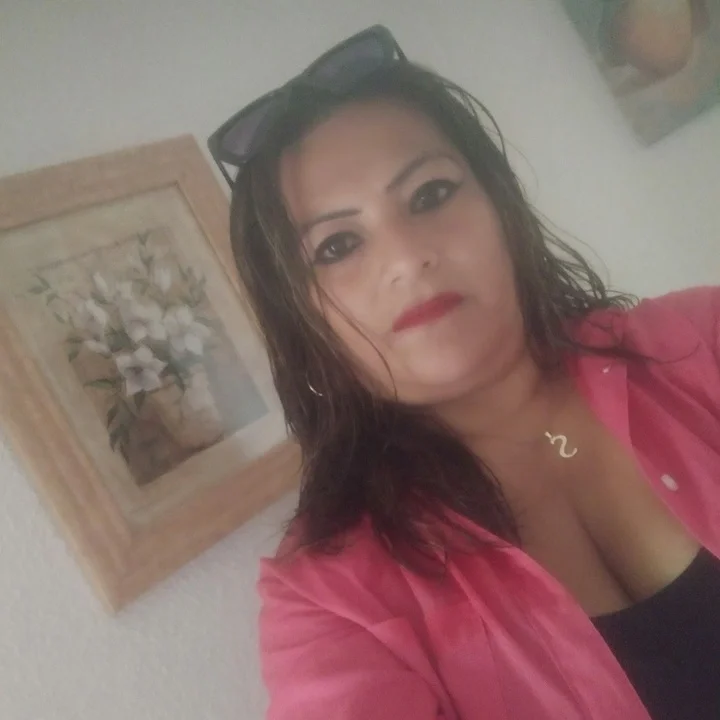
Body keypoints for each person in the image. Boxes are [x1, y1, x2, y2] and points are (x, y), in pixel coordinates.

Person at [208, 25, 720, 720]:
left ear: (502, 207)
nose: (406, 258)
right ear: (303, 317)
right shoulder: (333, 603)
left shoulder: (698, 343)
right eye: (337, 245)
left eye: (430, 195)